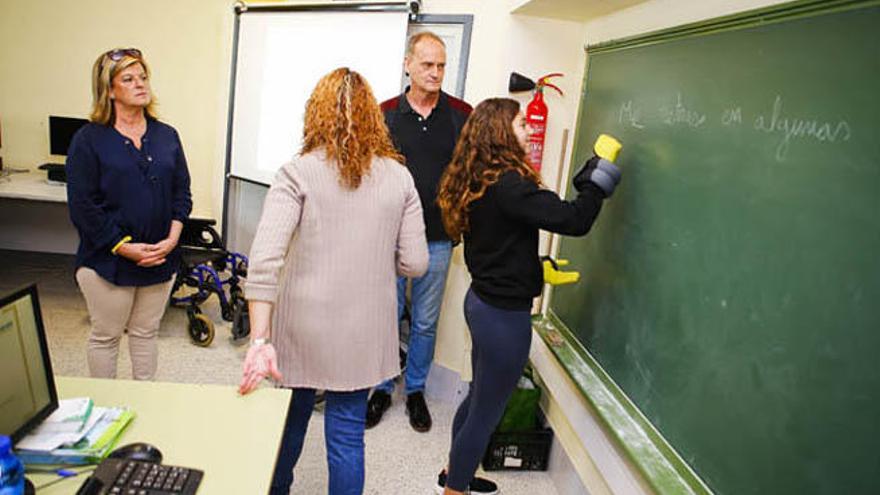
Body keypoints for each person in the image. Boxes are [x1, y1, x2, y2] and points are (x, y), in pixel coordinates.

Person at [238, 67, 429, 495]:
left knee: (288, 427)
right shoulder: (399, 177)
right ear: (373, 118)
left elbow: (265, 260)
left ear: (315, 114)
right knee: (346, 437)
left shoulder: (297, 172)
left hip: (301, 325)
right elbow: (416, 263)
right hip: (364, 330)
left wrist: (258, 340)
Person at [434, 98, 622, 494]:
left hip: (482, 303)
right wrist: (599, 172)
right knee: (486, 411)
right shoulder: (509, 184)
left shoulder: (481, 176)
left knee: (478, 397)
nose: (528, 130)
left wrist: (535, 270)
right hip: (503, 317)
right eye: (521, 124)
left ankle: (456, 474)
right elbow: (575, 219)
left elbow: (499, 242)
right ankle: (454, 490)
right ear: (501, 132)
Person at [367, 30, 472, 434]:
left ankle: (414, 391)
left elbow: (471, 171)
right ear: (407, 64)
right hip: (388, 237)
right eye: (427, 64)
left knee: (426, 322)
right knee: (385, 315)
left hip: (439, 238)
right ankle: (380, 386)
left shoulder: (461, 114)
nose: (435, 73)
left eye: (442, 65)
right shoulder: (386, 113)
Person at [66, 48, 192, 381]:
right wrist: (122, 246)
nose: (140, 84)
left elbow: (182, 193)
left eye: (143, 77)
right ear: (109, 90)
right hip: (108, 261)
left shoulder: (167, 136)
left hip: (161, 257)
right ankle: (107, 408)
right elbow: (83, 206)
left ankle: (145, 401)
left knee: (145, 332)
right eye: (128, 79)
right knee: (106, 336)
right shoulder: (88, 140)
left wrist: (172, 239)